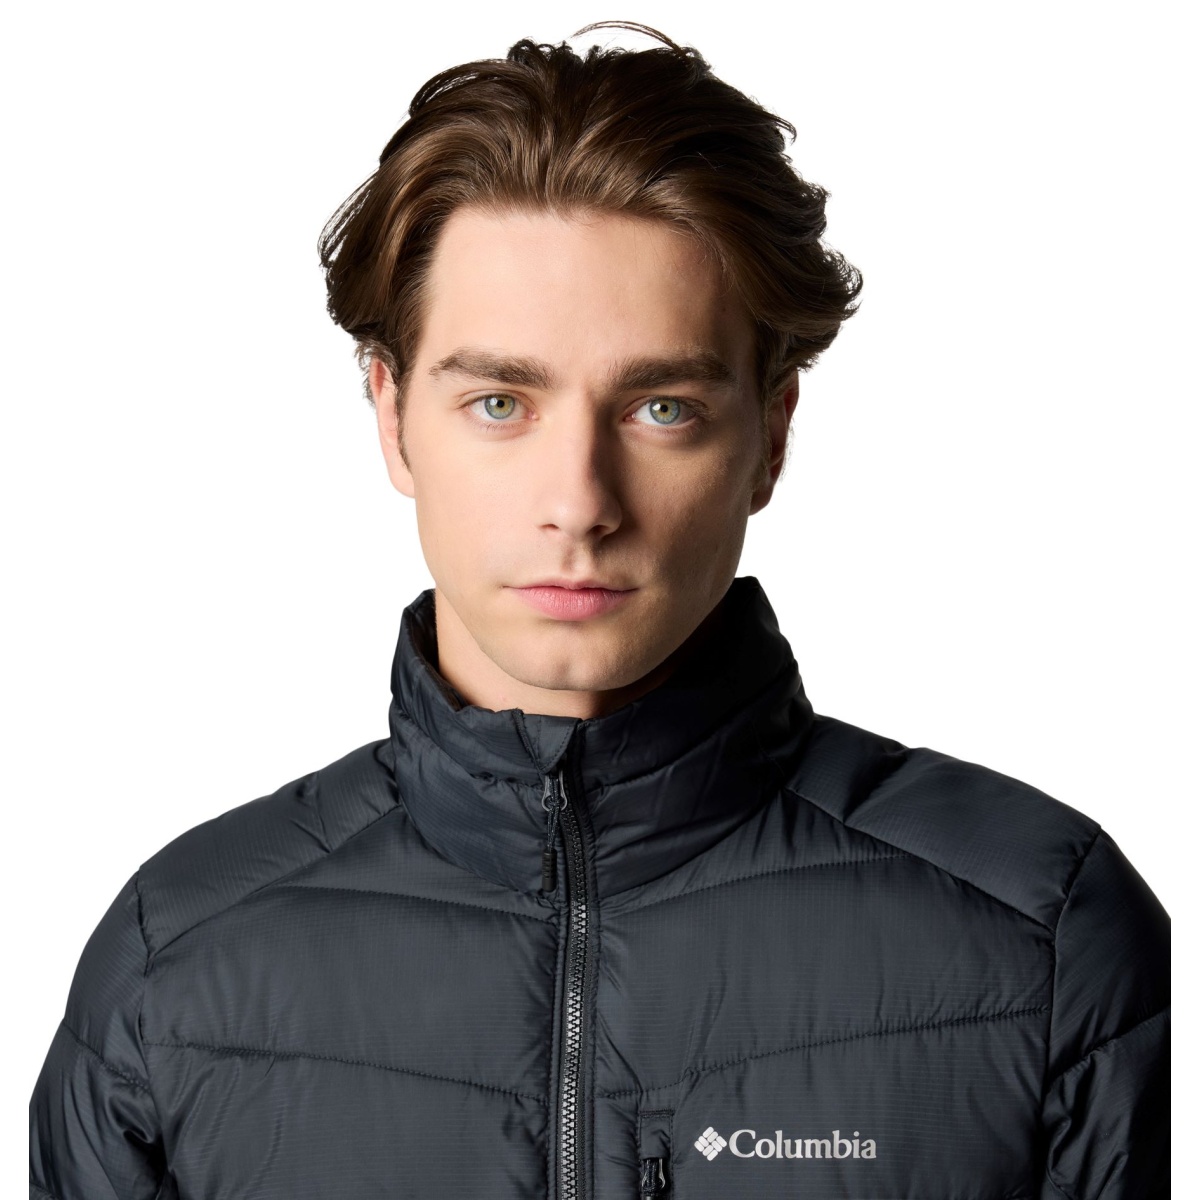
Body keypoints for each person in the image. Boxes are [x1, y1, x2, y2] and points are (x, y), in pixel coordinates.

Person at [29, 22, 1169, 1200]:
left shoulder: (1046, 937)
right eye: (500, 403)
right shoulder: (175, 971)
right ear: (393, 417)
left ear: (771, 436)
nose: (578, 502)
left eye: (662, 408)